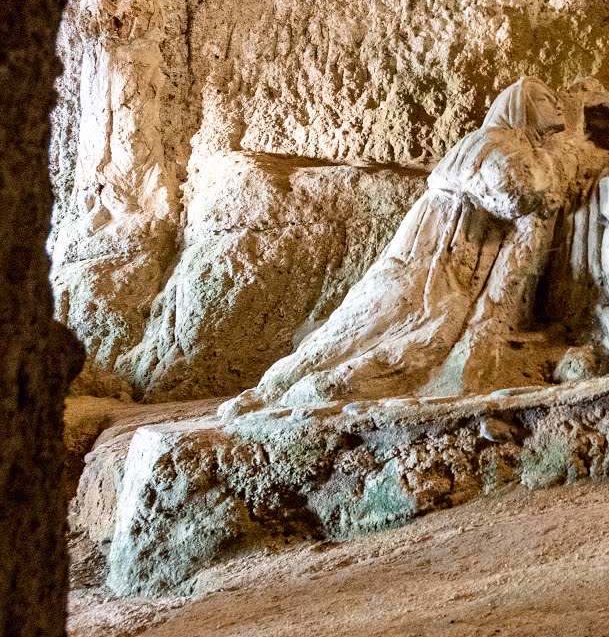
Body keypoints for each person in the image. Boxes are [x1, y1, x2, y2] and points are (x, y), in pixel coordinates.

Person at [219, 78, 574, 413]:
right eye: (544, 99)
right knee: (378, 324)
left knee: (388, 328)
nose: (556, 105)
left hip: (450, 259)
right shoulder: (490, 141)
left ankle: (301, 390)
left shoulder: (509, 145)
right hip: (433, 254)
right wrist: (550, 180)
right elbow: (512, 194)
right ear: (518, 107)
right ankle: (281, 390)